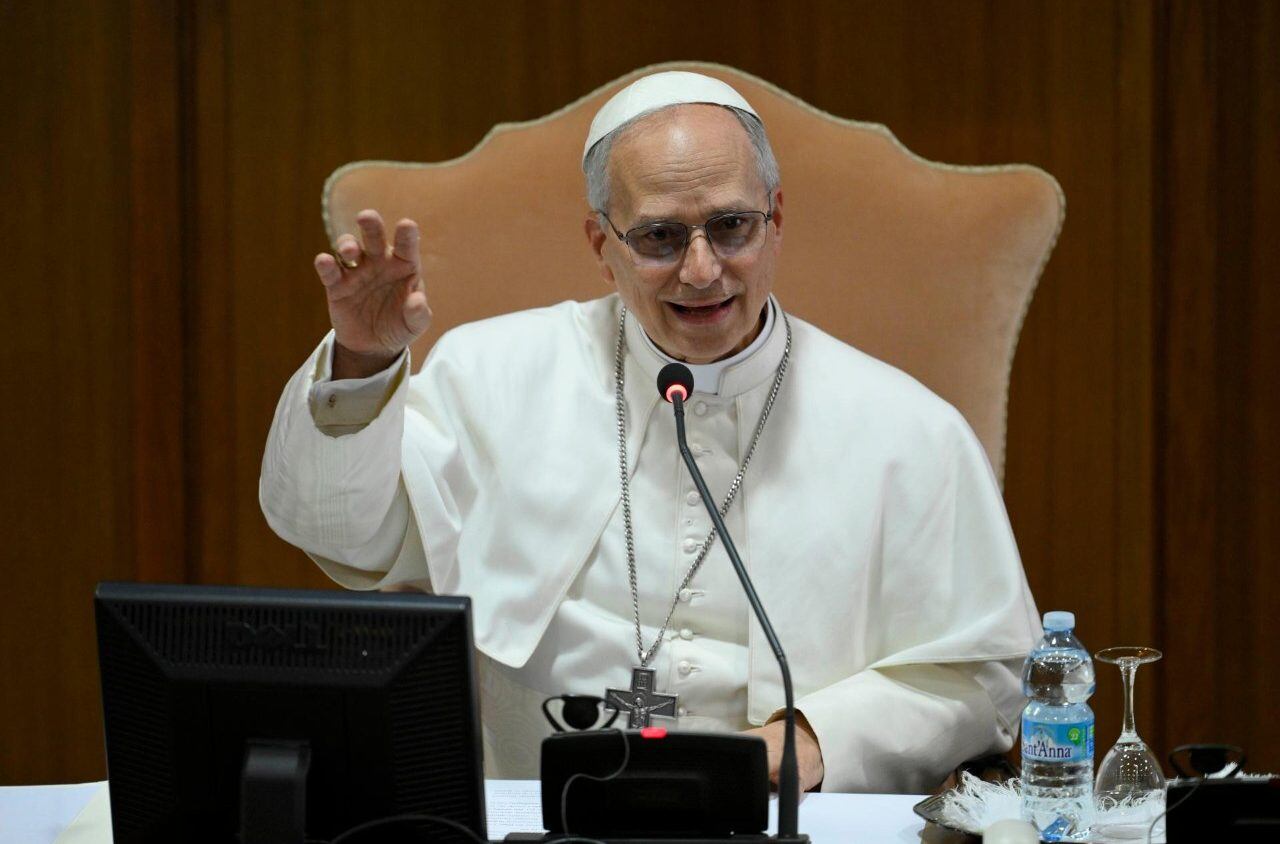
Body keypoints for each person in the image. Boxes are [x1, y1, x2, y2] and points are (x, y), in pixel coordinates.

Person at [260, 71, 1041, 793]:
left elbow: (980, 671)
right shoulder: (489, 374)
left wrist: (814, 739)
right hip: (537, 803)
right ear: (603, 245)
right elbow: (344, 538)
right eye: (661, 237)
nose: (702, 271)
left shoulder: (906, 431)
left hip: (784, 816)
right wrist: (362, 361)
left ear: (776, 220)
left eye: (731, 227)